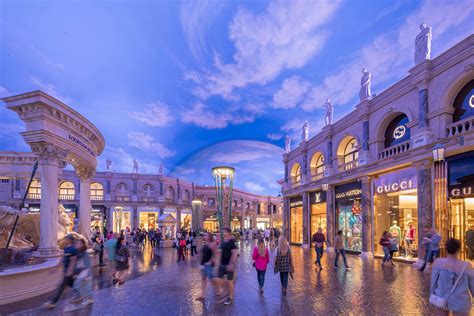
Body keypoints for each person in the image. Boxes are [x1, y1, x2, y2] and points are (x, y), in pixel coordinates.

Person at [430, 238, 473, 315]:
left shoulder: (438, 263)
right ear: (459, 249)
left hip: (441, 298)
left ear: (446, 249)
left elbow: (433, 284)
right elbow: (473, 287)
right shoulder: (467, 266)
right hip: (461, 301)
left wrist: (432, 297)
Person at [43, 234, 78, 308]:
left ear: (69, 240)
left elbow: (73, 261)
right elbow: (63, 259)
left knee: (61, 286)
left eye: (66, 238)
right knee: (73, 284)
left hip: (69, 272)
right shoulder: (66, 248)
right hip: (66, 271)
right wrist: (55, 268)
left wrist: (70, 271)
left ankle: (52, 302)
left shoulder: (73, 249)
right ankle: (81, 293)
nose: (64, 240)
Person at [217, 228, 238, 305]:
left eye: (225, 232)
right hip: (222, 264)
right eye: (223, 232)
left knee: (230, 282)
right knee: (218, 279)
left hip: (229, 265)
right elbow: (220, 251)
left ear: (229, 233)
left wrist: (231, 264)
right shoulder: (223, 242)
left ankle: (230, 297)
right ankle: (223, 290)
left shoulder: (231, 242)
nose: (223, 233)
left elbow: (234, 253)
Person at [196, 233, 219, 301]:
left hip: (208, 265)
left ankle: (219, 289)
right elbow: (201, 252)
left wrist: (210, 261)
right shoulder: (205, 244)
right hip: (203, 264)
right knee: (204, 279)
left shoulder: (212, 244)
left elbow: (215, 254)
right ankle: (203, 295)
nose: (204, 236)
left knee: (212, 279)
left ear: (209, 237)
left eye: (205, 235)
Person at [71, 238, 94, 306]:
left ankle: (88, 299)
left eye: (78, 243)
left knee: (80, 285)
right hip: (81, 272)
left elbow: (88, 264)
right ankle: (88, 299)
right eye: (76, 243)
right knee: (84, 286)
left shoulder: (84, 253)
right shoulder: (78, 252)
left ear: (82, 245)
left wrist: (87, 274)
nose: (77, 244)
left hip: (85, 272)